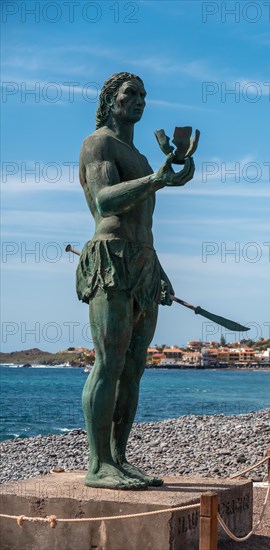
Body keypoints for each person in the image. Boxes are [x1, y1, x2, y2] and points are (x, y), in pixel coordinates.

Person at [76, 72, 195, 489]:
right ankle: (97, 464)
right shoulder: (99, 144)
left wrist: (158, 267)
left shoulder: (139, 155)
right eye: (131, 94)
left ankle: (120, 459)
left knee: (134, 366)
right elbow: (106, 201)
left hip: (144, 261)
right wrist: (156, 180)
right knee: (108, 361)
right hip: (111, 258)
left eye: (144, 95)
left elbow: (145, 215)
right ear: (111, 101)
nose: (141, 101)